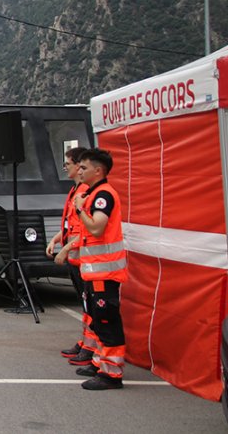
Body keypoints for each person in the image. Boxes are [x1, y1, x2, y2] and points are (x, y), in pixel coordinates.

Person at [73, 148, 128, 390]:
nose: (79, 171)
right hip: (93, 273)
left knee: (107, 323)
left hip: (104, 275)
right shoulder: (94, 194)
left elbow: (96, 228)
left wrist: (79, 209)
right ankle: (98, 363)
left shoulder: (103, 195)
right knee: (97, 321)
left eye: (84, 167)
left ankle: (111, 375)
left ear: (98, 170)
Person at [47, 147, 97, 367]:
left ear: (79, 166)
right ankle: (85, 342)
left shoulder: (85, 192)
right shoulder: (75, 190)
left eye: (68, 164)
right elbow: (71, 225)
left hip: (84, 259)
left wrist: (66, 248)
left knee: (90, 305)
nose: (65, 168)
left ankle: (90, 346)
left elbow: (87, 230)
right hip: (76, 259)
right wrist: (57, 239)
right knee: (84, 304)